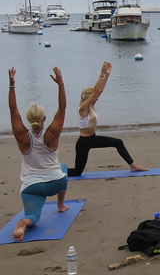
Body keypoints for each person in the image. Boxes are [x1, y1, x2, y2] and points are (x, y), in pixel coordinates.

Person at [8, 67, 69, 241]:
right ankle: (61, 204)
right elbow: (62, 108)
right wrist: (61, 84)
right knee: (63, 167)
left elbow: (13, 110)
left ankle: (22, 225)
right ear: (44, 118)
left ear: (28, 119)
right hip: (56, 182)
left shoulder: (22, 136)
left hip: (32, 186)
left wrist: (12, 86)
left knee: (33, 216)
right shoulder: (51, 135)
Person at [67, 62, 147, 176]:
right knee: (77, 172)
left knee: (118, 143)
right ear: (88, 98)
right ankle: (57, 171)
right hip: (83, 143)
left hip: (93, 139)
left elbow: (99, 91)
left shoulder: (91, 106)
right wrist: (101, 73)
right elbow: (95, 90)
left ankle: (133, 166)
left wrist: (107, 75)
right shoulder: (82, 109)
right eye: (94, 98)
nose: (97, 99)